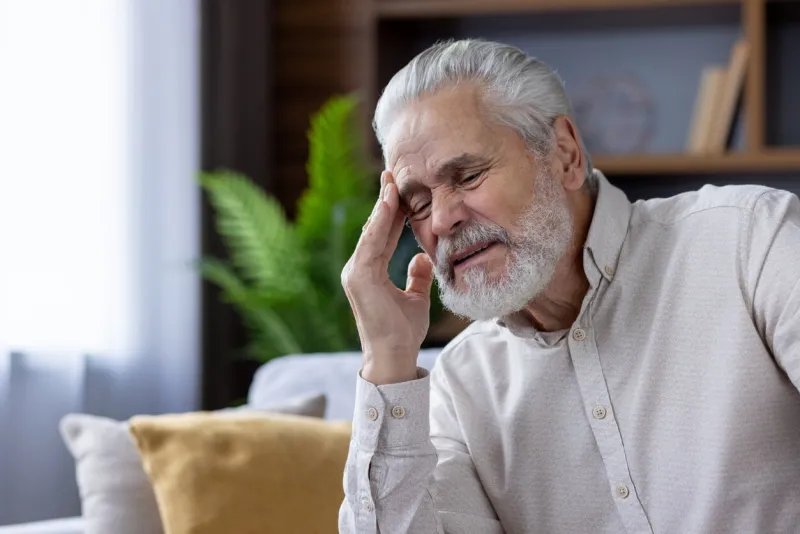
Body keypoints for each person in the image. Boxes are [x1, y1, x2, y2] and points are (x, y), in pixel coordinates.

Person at [337, 39, 800, 534]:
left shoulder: (750, 240)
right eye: (418, 203)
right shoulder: (459, 387)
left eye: (467, 175)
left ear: (563, 154)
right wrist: (386, 358)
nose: (444, 219)